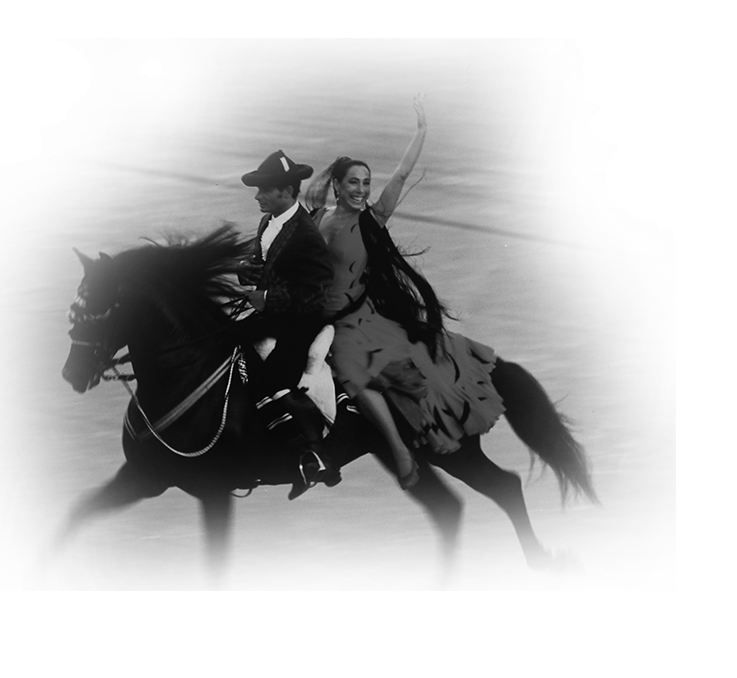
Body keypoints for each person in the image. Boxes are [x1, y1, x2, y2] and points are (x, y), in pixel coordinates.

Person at [304, 94, 505, 489]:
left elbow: (400, 175)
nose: (362, 190)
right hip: (317, 315)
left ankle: (399, 452)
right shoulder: (317, 218)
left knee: (351, 370)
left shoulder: (371, 221)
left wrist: (421, 132)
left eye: (366, 183)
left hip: (352, 323)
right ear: (337, 186)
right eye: (354, 183)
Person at [237, 149, 340, 499]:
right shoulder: (269, 222)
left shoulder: (306, 234)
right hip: (273, 317)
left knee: (271, 379)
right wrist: (245, 270)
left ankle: (314, 455)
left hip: (301, 323)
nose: (257, 196)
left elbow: (317, 292)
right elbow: (261, 263)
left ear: (286, 191)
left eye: (264, 190)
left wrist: (268, 299)